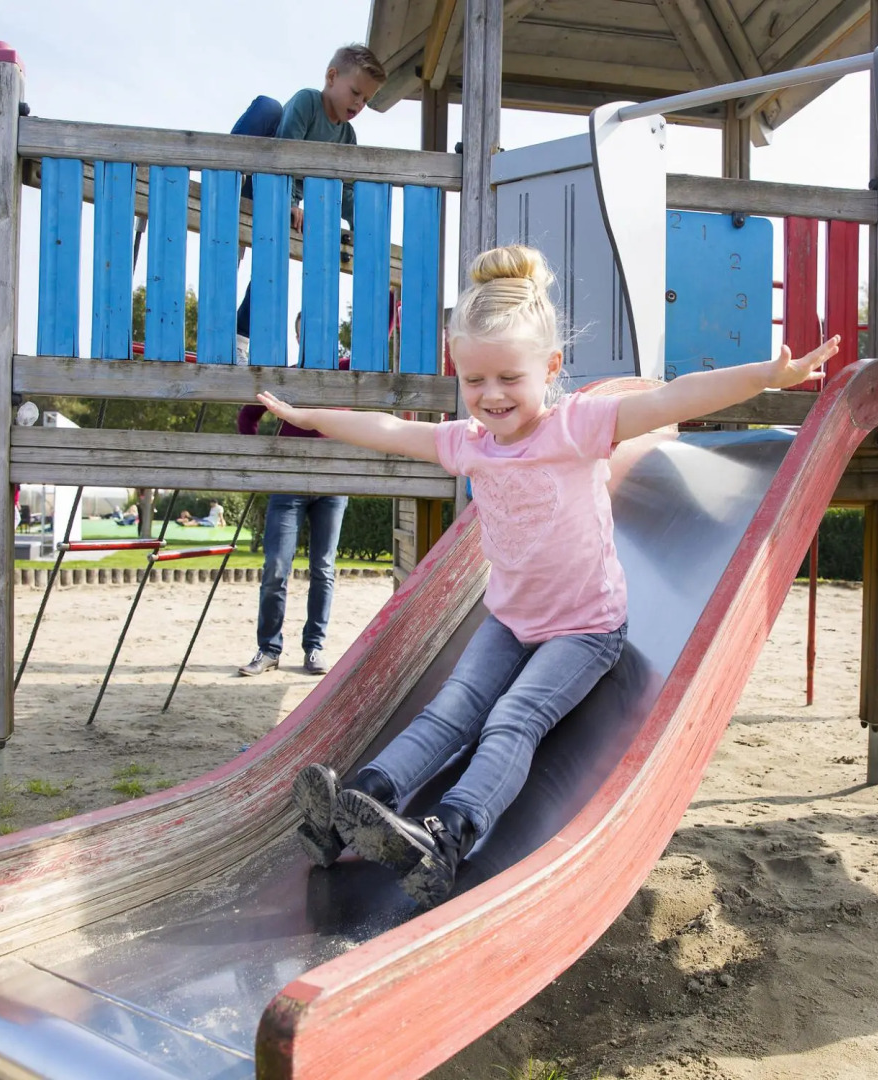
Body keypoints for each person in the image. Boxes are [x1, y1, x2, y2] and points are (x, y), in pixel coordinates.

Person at [254, 244, 841, 909]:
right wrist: (311, 420)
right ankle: (364, 801)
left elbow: (677, 396)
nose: (491, 395)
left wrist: (766, 374)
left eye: (509, 377)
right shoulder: (468, 443)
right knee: (451, 708)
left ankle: (450, 831)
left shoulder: (578, 429)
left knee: (511, 719)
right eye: (474, 381)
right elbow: (389, 428)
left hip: (586, 630)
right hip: (510, 619)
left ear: (551, 368)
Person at [231, 44, 387, 362]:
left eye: (366, 99)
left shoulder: (347, 136)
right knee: (268, 107)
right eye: (356, 92)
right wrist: (288, 201)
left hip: (289, 206)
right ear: (331, 77)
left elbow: (344, 190)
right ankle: (225, 179)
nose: (360, 103)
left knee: (269, 270)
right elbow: (286, 152)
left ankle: (239, 336)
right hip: (263, 183)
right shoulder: (307, 102)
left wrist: (362, 226)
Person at [237, 312, 350, 677]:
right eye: (308, 333)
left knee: (323, 568)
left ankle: (314, 648)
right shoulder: (285, 378)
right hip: (288, 485)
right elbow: (247, 418)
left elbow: (384, 326)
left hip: (333, 485)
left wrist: (393, 296)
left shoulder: (349, 370)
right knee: (276, 567)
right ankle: (268, 649)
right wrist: (265, 462)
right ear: (299, 338)